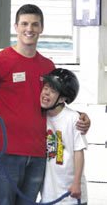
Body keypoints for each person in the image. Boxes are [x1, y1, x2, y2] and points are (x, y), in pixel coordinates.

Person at [0, 4, 90, 205]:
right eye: (24, 24)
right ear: (16, 26)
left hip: (39, 155)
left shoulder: (48, 66)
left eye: (35, 24)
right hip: (5, 153)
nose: (29, 29)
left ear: (41, 28)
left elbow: (56, 104)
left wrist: (80, 116)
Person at [40, 68, 88, 205]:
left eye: (53, 90)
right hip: (49, 195)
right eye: (46, 87)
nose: (46, 93)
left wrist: (76, 183)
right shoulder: (41, 116)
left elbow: (78, 152)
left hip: (71, 193)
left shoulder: (73, 119)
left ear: (62, 98)